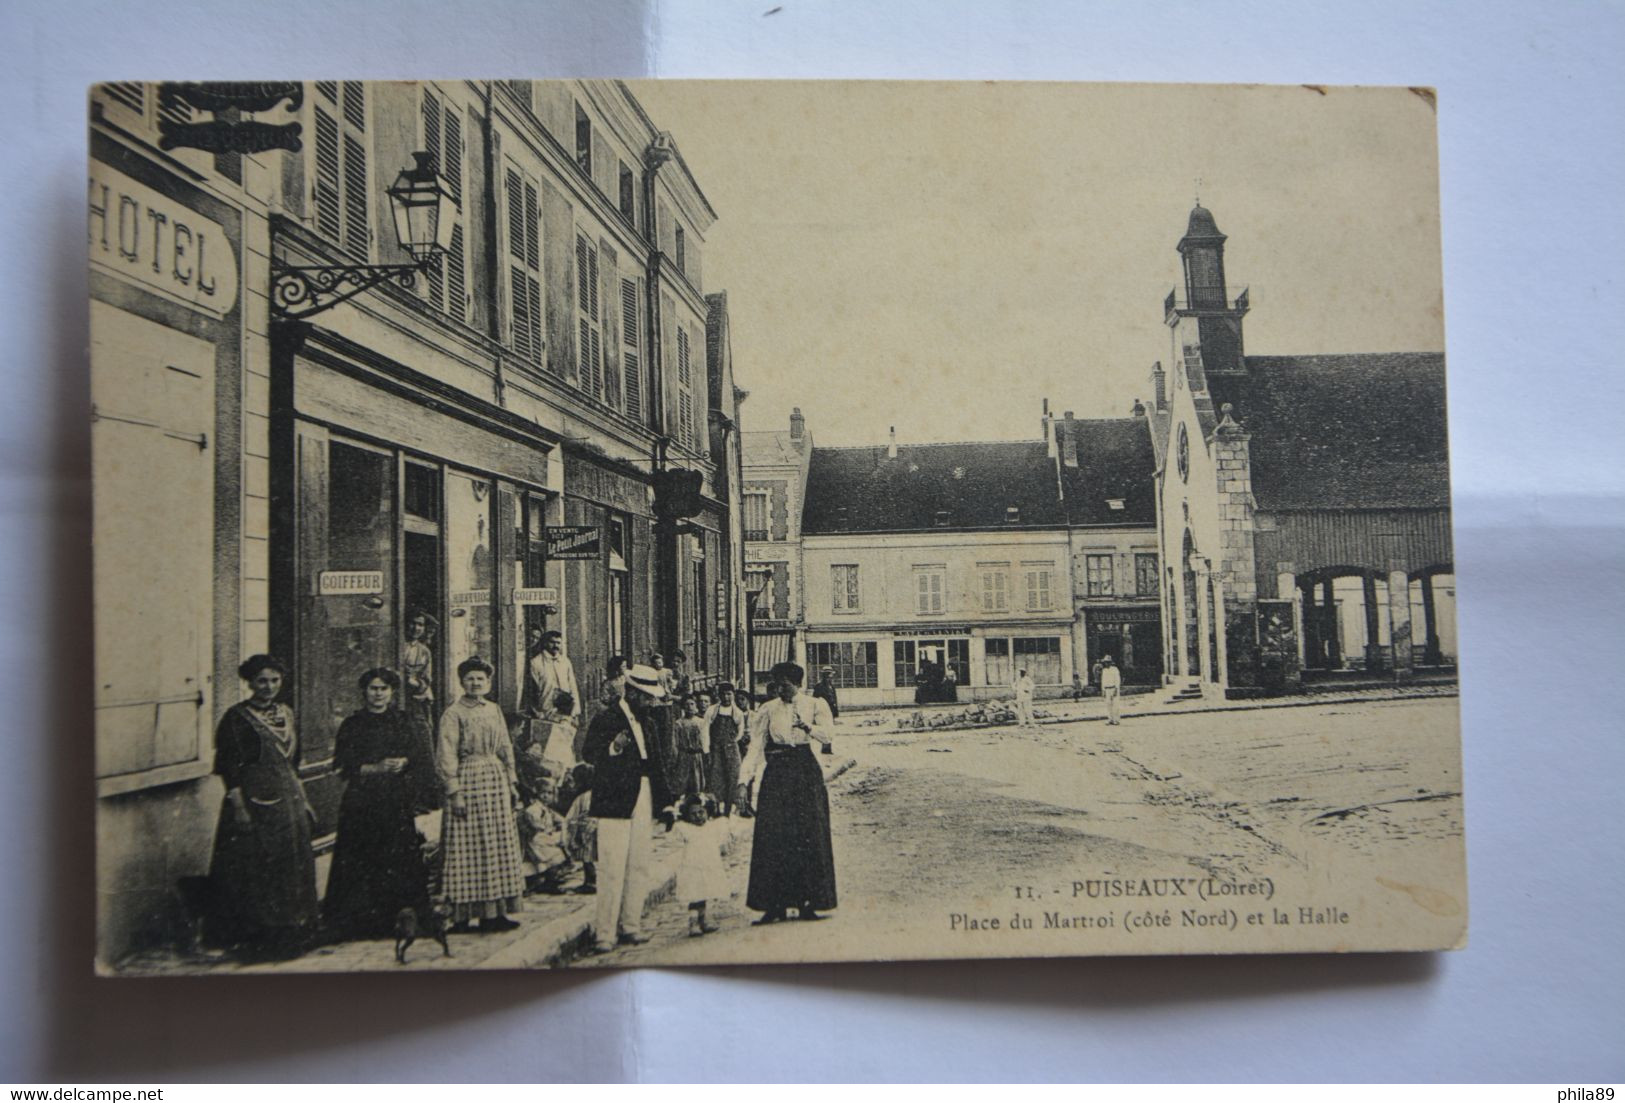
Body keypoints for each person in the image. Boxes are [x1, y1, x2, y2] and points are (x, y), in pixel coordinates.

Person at [207, 654, 319, 960]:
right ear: (249, 683)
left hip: (289, 801)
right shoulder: (236, 718)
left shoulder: (287, 713)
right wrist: (240, 808)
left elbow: (292, 765)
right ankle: (260, 940)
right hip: (254, 801)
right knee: (257, 870)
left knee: (292, 867)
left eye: (274, 680)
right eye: (261, 681)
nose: (268, 687)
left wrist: (305, 801)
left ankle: (293, 934)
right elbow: (229, 769)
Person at [323, 668, 436, 939]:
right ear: (364, 692)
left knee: (397, 856)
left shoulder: (403, 720)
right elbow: (343, 766)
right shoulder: (353, 725)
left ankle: (399, 917)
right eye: (373, 689)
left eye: (383, 689)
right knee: (362, 857)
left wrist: (404, 762)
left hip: (395, 799)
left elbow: (419, 756)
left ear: (392, 692)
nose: (378, 694)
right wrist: (375, 768)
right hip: (362, 801)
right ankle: (361, 922)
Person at [581, 662, 676, 953]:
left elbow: (657, 763)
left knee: (639, 863)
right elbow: (588, 753)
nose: (650, 702)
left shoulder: (648, 722)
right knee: (611, 866)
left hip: (644, 794)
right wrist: (614, 747)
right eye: (647, 697)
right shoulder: (607, 718)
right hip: (614, 799)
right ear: (632, 693)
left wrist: (667, 803)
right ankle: (605, 933)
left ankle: (630, 925)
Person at [740, 662, 837, 924]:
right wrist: (743, 780)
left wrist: (807, 728)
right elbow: (756, 746)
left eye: (785, 684)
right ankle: (775, 905)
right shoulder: (767, 709)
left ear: (798, 684)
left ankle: (809, 903)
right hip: (778, 773)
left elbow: (828, 736)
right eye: (777, 683)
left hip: (806, 772)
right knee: (774, 836)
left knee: (809, 834)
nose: (780, 688)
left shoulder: (816, 705)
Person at [437, 657, 525, 932]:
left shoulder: (494, 709)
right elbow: (446, 753)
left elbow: (505, 746)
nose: (476, 683)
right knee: (467, 847)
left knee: (498, 843)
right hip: (468, 778)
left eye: (481, 679)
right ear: (461, 682)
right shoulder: (453, 713)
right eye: (470, 678)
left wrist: (511, 781)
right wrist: (454, 792)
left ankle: (495, 913)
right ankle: (463, 916)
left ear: (488, 682)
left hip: (495, 778)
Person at [526, 629, 582, 771]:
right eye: (552, 642)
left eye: (558, 643)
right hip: (546, 714)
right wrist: (537, 712)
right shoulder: (535, 663)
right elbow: (531, 691)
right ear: (545, 643)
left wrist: (575, 713)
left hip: (565, 714)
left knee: (566, 751)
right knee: (547, 754)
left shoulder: (565, 662)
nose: (556, 646)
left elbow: (572, 686)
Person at [674, 793, 726, 937]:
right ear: (688, 816)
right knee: (694, 894)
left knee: (704, 893)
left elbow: (722, 833)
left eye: (701, 812)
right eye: (693, 814)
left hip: (707, 865)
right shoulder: (687, 829)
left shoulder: (711, 827)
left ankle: (703, 920)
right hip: (693, 867)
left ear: (707, 812)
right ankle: (693, 923)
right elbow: (676, 832)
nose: (698, 816)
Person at [703, 683, 746, 816]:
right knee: (715, 778)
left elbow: (740, 732)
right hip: (715, 749)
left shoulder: (737, 712)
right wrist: (707, 750)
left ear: (733, 695)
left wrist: (731, 742)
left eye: (729, 694)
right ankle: (714, 808)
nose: (726, 697)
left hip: (732, 749)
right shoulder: (712, 710)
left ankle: (729, 809)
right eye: (723, 694)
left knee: (733, 777)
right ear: (718, 695)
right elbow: (705, 730)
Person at [401, 611, 439, 736]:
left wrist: (416, 684)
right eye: (412, 623)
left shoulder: (424, 651)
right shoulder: (399, 646)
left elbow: (427, 679)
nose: (416, 628)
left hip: (416, 699)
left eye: (420, 625)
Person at [673, 695, 709, 796]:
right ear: (683, 707)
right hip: (684, 756)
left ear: (696, 705)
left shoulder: (701, 722)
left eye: (692, 704)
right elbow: (676, 742)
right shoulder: (679, 723)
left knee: (697, 784)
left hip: (698, 757)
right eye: (687, 704)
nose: (689, 707)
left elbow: (706, 741)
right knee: (683, 784)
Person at [1100, 654, 1123, 726]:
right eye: (1106, 662)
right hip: (1107, 689)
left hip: (1113, 688)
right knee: (1108, 704)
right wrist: (1103, 690)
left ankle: (1116, 720)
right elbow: (1103, 681)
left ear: (1111, 662)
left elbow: (1117, 680)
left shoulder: (1115, 669)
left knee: (1115, 704)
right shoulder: (1104, 670)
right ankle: (1110, 719)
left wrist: (1116, 688)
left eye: (1108, 662)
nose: (1107, 663)